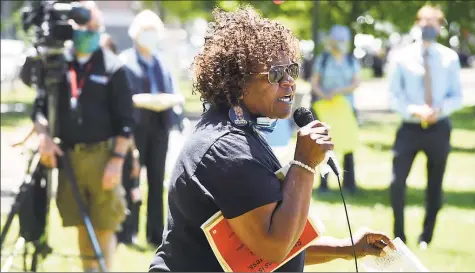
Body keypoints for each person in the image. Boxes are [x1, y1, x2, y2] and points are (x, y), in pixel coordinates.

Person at [149, 7, 394, 272]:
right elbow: (274, 246)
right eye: (276, 74)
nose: (289, 82)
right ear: (239, 84)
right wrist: (304, 163)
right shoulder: (226, 150)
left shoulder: (241, 133)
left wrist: (346, 249)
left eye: (292, 70)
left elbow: (257, 244)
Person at [23, 1, 134, 271]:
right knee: (81, 225)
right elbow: (39, 106)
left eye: (95, 27)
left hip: (103, 156)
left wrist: (117, 161)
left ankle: (103, 268)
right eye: (84, 26)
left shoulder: (113, 67)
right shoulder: (58, 62)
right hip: (69, 157)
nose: (89, 32)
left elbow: (127, 122)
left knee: (104, 225)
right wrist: (44, 136)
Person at [388, 5, 462, 249]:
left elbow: (457, 96)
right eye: (424, 22)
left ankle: (426, 237)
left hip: (438, 128)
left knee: (434, 186)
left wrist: (439, 110)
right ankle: (399, 235)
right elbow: (393, 96)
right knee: (397, 183)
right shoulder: (401, 57)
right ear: (417, 23)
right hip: (409, 128)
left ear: (440, 26)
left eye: (433, 23)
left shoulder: (449, 58)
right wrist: (413, 110)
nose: (428, 27)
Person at [119, 9, 182, 246]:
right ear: (136, 34)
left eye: (154, 32)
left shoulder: (161, 63)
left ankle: (155, 233)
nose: (150, 37)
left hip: (159, 127)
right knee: (131, 179)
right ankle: (128, 231)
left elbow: (172, 91)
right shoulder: (126, 62)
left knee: (157, 182)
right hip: (135, 130)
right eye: (146, 32)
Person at [100, 32, 143, 246]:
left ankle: (128, 233)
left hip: (123, 149)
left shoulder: (119, 77)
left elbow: (127, 123)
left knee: (130, 190)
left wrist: (133, 154)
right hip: (102, 149)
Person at [310, 25, 361, 194]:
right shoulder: (323, 60)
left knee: (348, 146)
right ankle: (324, 185)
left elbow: (355, 83)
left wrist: (338, 91)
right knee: (326, 147)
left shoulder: (351, 60)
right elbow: (315, 83)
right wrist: (323, 94)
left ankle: (350, 184)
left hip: (346, 109)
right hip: (327, 110)